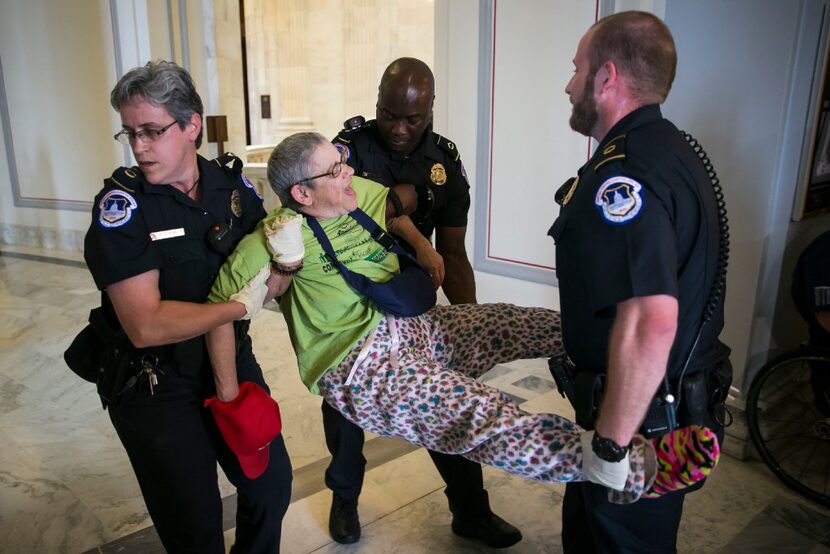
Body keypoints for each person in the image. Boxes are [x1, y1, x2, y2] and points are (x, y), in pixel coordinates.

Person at [206, 132, 723, 540]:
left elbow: (393, 207)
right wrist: (230, 397)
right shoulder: (270, 239)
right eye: (335, 169)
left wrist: (426, 252)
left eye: (343, 161)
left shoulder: (356, 192)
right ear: (302, 193)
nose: (348, 172)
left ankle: (639, 357)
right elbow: (219, 314)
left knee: (513, 320)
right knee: (478, 412)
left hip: (411, 327)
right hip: (359, 366)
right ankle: (632, 469)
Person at [83, 60, 292, 553]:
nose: (139, 146)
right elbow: (146, 325)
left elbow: (270, 265)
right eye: (130, 133)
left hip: (229, 364)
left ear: (192, 124)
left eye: (152, 131)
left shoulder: (231, 189)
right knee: (195, 527)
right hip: (153, 383)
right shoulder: (123, 208)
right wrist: (236, 310)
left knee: (271, 486)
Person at [548, 11, 732, 553]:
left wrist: (609, 446)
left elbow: (652, 318)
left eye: (576, 69)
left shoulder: (623, 176)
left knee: (623, 542)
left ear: (606, 78)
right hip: (654, 409)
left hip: (637, 423)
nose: (569, 84)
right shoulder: (669, 149)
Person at [325, 57, 514, 547]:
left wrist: (471, 324)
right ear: (377, 106)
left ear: (430, 110)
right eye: (389, 115)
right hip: (350, 306)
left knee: (444, 405)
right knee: (345, 409)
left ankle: (469, 512)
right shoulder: (345, 151)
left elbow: (453, 251)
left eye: (413, 118)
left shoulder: (443, 162)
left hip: (412, 302)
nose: (400, 128)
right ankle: (344, 499)